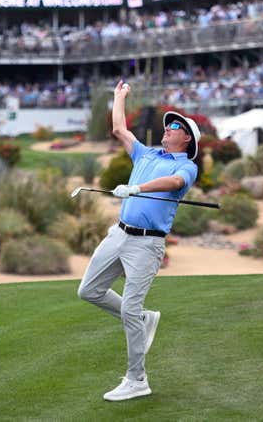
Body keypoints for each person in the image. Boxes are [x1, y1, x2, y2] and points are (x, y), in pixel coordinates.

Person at [77, 81, 199, 402]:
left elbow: (174, 182)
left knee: (130, 307)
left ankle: (137, 379)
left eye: (173, 127)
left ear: (186, 137)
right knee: (89, 290)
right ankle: (144, 319)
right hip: (119, 233)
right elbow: (119, 129)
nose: (166, 129)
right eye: (167, 125)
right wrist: (119, 98)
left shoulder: (187, 166)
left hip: (147, 244)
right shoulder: (145, 154)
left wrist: (137, 188)